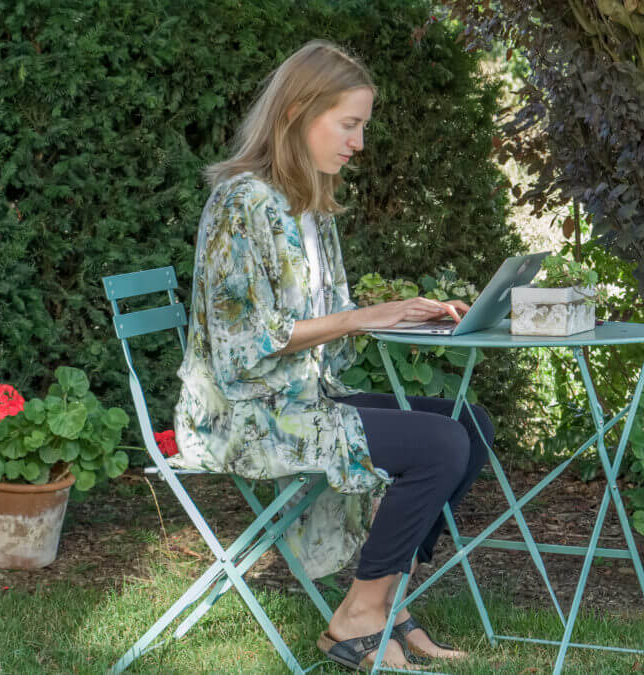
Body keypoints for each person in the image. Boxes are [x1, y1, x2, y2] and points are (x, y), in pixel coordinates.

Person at [172, 40, 494, 671]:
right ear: (297, 111)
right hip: (247, 415)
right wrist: (365, 317)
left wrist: (404, 312)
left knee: (468, 425)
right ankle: (359, 618)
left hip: (302, 397)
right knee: (440, 447)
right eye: (350, 124)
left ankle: (387, 603)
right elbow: (242, 350)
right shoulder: (245, 201)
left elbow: (323, 327)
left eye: (362, 127)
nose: (359, 143)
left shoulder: (310, 206)